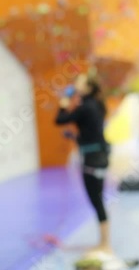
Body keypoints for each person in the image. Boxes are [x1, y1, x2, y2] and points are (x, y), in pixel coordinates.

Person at [55, 72, 113, 255]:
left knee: (96, 200)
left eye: (80, 82)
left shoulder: (85, 107)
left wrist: (64, 103)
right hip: (99, 156)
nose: (76, 83)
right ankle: (103, 242)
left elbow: (59, 120)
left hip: (93, 160)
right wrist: (77, 136)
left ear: (88, 88)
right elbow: (90, 130)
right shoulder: (95, 104)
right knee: (98, 199)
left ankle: (105, 244)